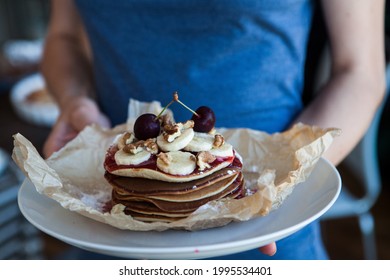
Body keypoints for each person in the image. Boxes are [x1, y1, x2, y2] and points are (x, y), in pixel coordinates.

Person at [41, 0, 386, 260]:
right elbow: (63, 36)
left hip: (264, 231)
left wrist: (282, 185)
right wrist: (76, 103)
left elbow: (359, 72)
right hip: (111, 222)